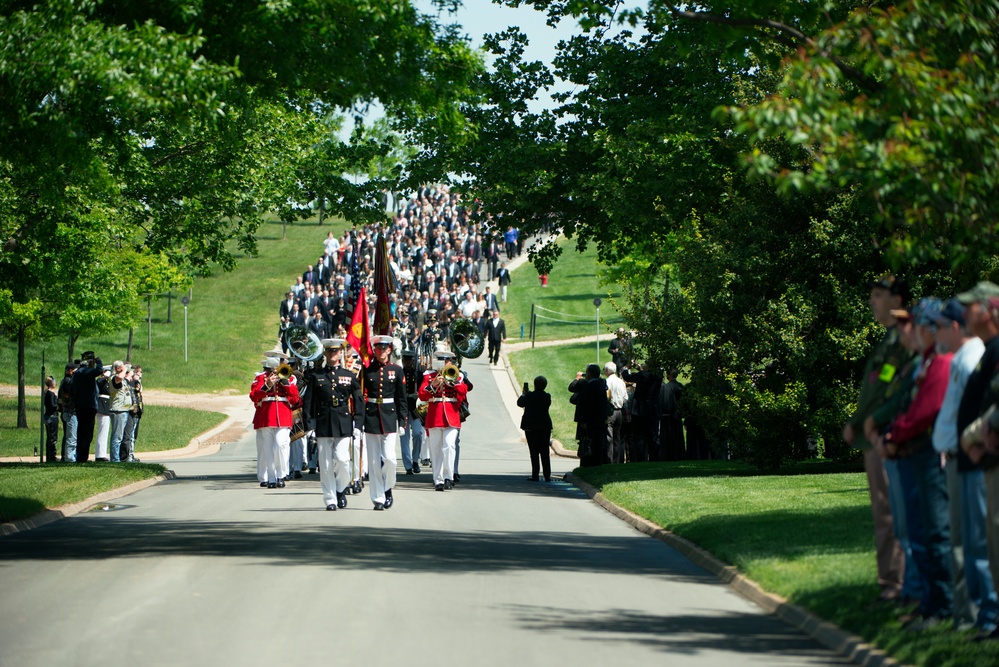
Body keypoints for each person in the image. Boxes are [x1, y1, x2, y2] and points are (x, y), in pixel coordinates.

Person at [866, 299, 954, 629]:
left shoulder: (938, 362)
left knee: (933, 532)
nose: (910, 330)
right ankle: (928, 600)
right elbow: (895, 398)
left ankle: (938, 603)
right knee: (918, 531)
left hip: (923, 452)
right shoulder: (920, 362)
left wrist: (891, 434)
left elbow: (924, 409)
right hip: (906, 448)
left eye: (916, 324)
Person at [932, 298, 997, 635]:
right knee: (967, 541)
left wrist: (970, 441)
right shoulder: (967, 355)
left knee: (979, 542)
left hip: (975, 456)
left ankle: (983, 614)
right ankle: (972, 614)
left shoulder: (972, 354)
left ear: (955, 327)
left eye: (940, 325)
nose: (935, 332)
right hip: (961, 455)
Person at [843, 275, 910, 605]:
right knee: (884, 511)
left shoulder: (900, 341)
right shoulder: (888, 340)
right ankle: (892, 580)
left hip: (885, 435)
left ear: (897, 301)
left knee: (890, 512)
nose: (872, 301)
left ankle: (895, 582)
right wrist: (858, 423)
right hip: (873, 434)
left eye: (878, 295)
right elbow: (878, 386)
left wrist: (867, 422)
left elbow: (891, 390)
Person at [303, 339, 362, 511]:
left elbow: (358, 401)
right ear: (325, 354)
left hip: (343, 422)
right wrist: (309, 427)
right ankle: (330, 498)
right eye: (329, 352)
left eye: (335, 352)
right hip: (323, 422)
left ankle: (341, 488)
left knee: (343, 461)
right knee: (326, 464)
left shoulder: (350, 376)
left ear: (340, 354)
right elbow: (308, 403)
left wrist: (358, 424)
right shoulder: (317, 376)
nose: (332, 355)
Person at [362, 335, 409, 510]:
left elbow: (401, 399)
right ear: (374, 350)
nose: (381, 351)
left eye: (384, 348)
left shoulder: (396, 370)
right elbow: (361, 396)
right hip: (372, 416)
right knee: (374, 462)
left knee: (389, 459)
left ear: (389, 350)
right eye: (378, 348)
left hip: (389, 417)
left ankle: (388, 487)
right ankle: (378, 498)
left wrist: (403, 422)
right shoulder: (367, 370)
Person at [418, 350, 468, 490]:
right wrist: (433, 384)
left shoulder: (456, 375)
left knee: (449, 446)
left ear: (451, 362)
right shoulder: (429, 376)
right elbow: (422, 395)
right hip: (435, 416)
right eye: (441, 360)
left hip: (451, 416)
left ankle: (448, 476)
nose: (445, 363)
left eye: (447, 361)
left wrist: (454, 383)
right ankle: (438, 479)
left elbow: (464, 392)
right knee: (435, 448)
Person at [250, 356, 302, 489]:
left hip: (283, 415)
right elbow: (254, 396)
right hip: (267, 415)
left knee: (280, 445)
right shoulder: (261, 377)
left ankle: (281, 474)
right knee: (267, 449)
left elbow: (295, 398)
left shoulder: (289, 377)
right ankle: (272, 478)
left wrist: (285, 382)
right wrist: (267, 385)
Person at [622, 362, 663, 462]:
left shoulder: (642, 375)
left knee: (639, 437)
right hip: (653, 409)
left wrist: (627, 367)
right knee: (653, 436)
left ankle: (640, 459)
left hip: (639, 409)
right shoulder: (658, 376)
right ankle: (655, 458)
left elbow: (626, 376)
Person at [573, 364, 609, 466]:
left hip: (590, 421)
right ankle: (597, 463)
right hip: (599, 420)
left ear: (589, 373)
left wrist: (584, 421)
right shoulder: (601, 386)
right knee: (597, 443)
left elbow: (586, 405)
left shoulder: (589, 387)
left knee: (589, 443)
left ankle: (588, 463)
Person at [518, 376, 553, 481]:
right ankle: (547, 475)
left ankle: (535, 474)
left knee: (534, 452)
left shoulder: (529, 396)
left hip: (531, 426)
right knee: (544, 451)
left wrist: (524, 393)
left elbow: (520, 403)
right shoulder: (547, 396)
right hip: (544, 426)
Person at [71, 351, 103, 463]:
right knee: (87, 433)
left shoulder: (77, 373)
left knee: (81, 431)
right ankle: (82, 457)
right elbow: (99, 370)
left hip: (80, 405)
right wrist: (99, 362)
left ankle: (80, 456)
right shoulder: (86, 372)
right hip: (89, 405)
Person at [108, 361, 133, 463]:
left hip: (124, 410)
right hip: (118, 410)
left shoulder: (122, 379)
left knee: (120, 436)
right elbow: (120, 378)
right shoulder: (115, 378)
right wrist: (125, 369)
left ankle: (117, 458)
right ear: (118, 369)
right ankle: (115, 459)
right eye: (122, 367)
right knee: (117, 437)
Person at [603, 362, 627, 464]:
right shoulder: (621, 382)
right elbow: (625, 398)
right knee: (617, 437)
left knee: (609, 438)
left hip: (611, 411)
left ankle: (609, 460)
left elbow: (605, 397)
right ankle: (617, 461)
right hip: (619, 412)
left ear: (607, 371)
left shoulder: (607, 382)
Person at [660, 369, 686, 461]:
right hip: (677, 417)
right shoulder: (681, 387)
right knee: (678, 438)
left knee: (668, 440)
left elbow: (662, 403)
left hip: (667, 417)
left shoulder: (665, 388)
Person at [121, 366, 143, 463]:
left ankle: (131, 455)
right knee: (128, 435)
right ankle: (127, 456)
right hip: (130, 411)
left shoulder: (135, 382)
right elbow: (138, 389)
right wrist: (135, 379)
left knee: (133, 436)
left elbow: (140, 390)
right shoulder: (129, 383)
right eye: (136, 373)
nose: (138, 375)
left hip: (136, 411)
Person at [58, 363, 78, 463]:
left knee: (70, 435)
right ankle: (68, 457)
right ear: (69, 370)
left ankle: (67, 456)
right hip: (69, 411)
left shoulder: (68, 380)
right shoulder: (67, 380)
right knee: (70, 437)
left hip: (69, 411)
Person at [44, 376, 59, 463]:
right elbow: (52, 406)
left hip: (49, 416)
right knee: (52, 437)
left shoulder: (47, 393)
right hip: (51, 417)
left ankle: (50, 456)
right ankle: (51, 456)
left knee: (50, 437)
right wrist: (58, 402)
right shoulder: (50, 393)